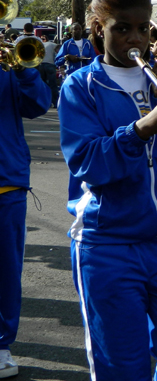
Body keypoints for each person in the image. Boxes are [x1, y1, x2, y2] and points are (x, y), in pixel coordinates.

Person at [59, 0, 157, 381]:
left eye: (144, 28)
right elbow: (89, 163)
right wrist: (140, 129)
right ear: (98, 28)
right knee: (121, 370)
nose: (135, 38)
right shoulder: (80, 86)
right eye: (121, 27)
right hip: (108, 245)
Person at [0, 31, 50, 379]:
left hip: (6, 184)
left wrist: (23, 69)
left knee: (5, 273)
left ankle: (2, 345)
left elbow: (38, 106)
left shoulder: (9, 67)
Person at [38, 35, 59, 108]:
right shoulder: (53, 44)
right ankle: (55, 102)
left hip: (41, 65)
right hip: (50, 64)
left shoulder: (40, 45)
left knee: (43, 85)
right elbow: (58, 52)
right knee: (53, 84)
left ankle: (45, 102)